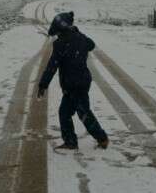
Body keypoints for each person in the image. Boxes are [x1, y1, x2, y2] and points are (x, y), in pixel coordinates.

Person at [37, 11, 109, 150]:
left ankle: (102, 138)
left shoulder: (60, 44)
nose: (57, 35)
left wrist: (43, 84)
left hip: (74, 84)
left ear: (61, 30)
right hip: (79, 82)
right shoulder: (79, 38)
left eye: (58, 32)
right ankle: (71, 141)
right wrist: (77, 32)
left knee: (83, 113)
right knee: (65, 112)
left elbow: (52, 66)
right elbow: (91, 45)